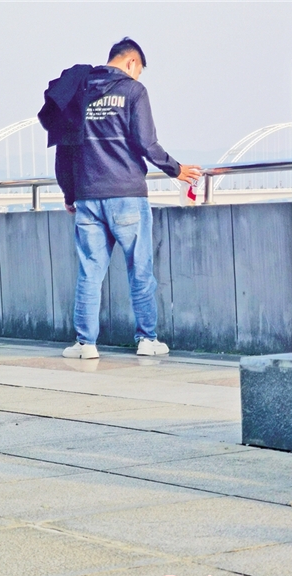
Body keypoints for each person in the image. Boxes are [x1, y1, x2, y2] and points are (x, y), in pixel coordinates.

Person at [41, 38, 201, 359]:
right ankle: (147, 340)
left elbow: (64, 148)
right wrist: (176, 169)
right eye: (138, 71)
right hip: (127, 194)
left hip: (88, 197)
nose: (137, 76)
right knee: (139, 270)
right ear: (131, 63)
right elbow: (146, 143)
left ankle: (85, 344)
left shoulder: (78, 89)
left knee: (90, 272)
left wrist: (70, 192)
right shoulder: (133, 91)